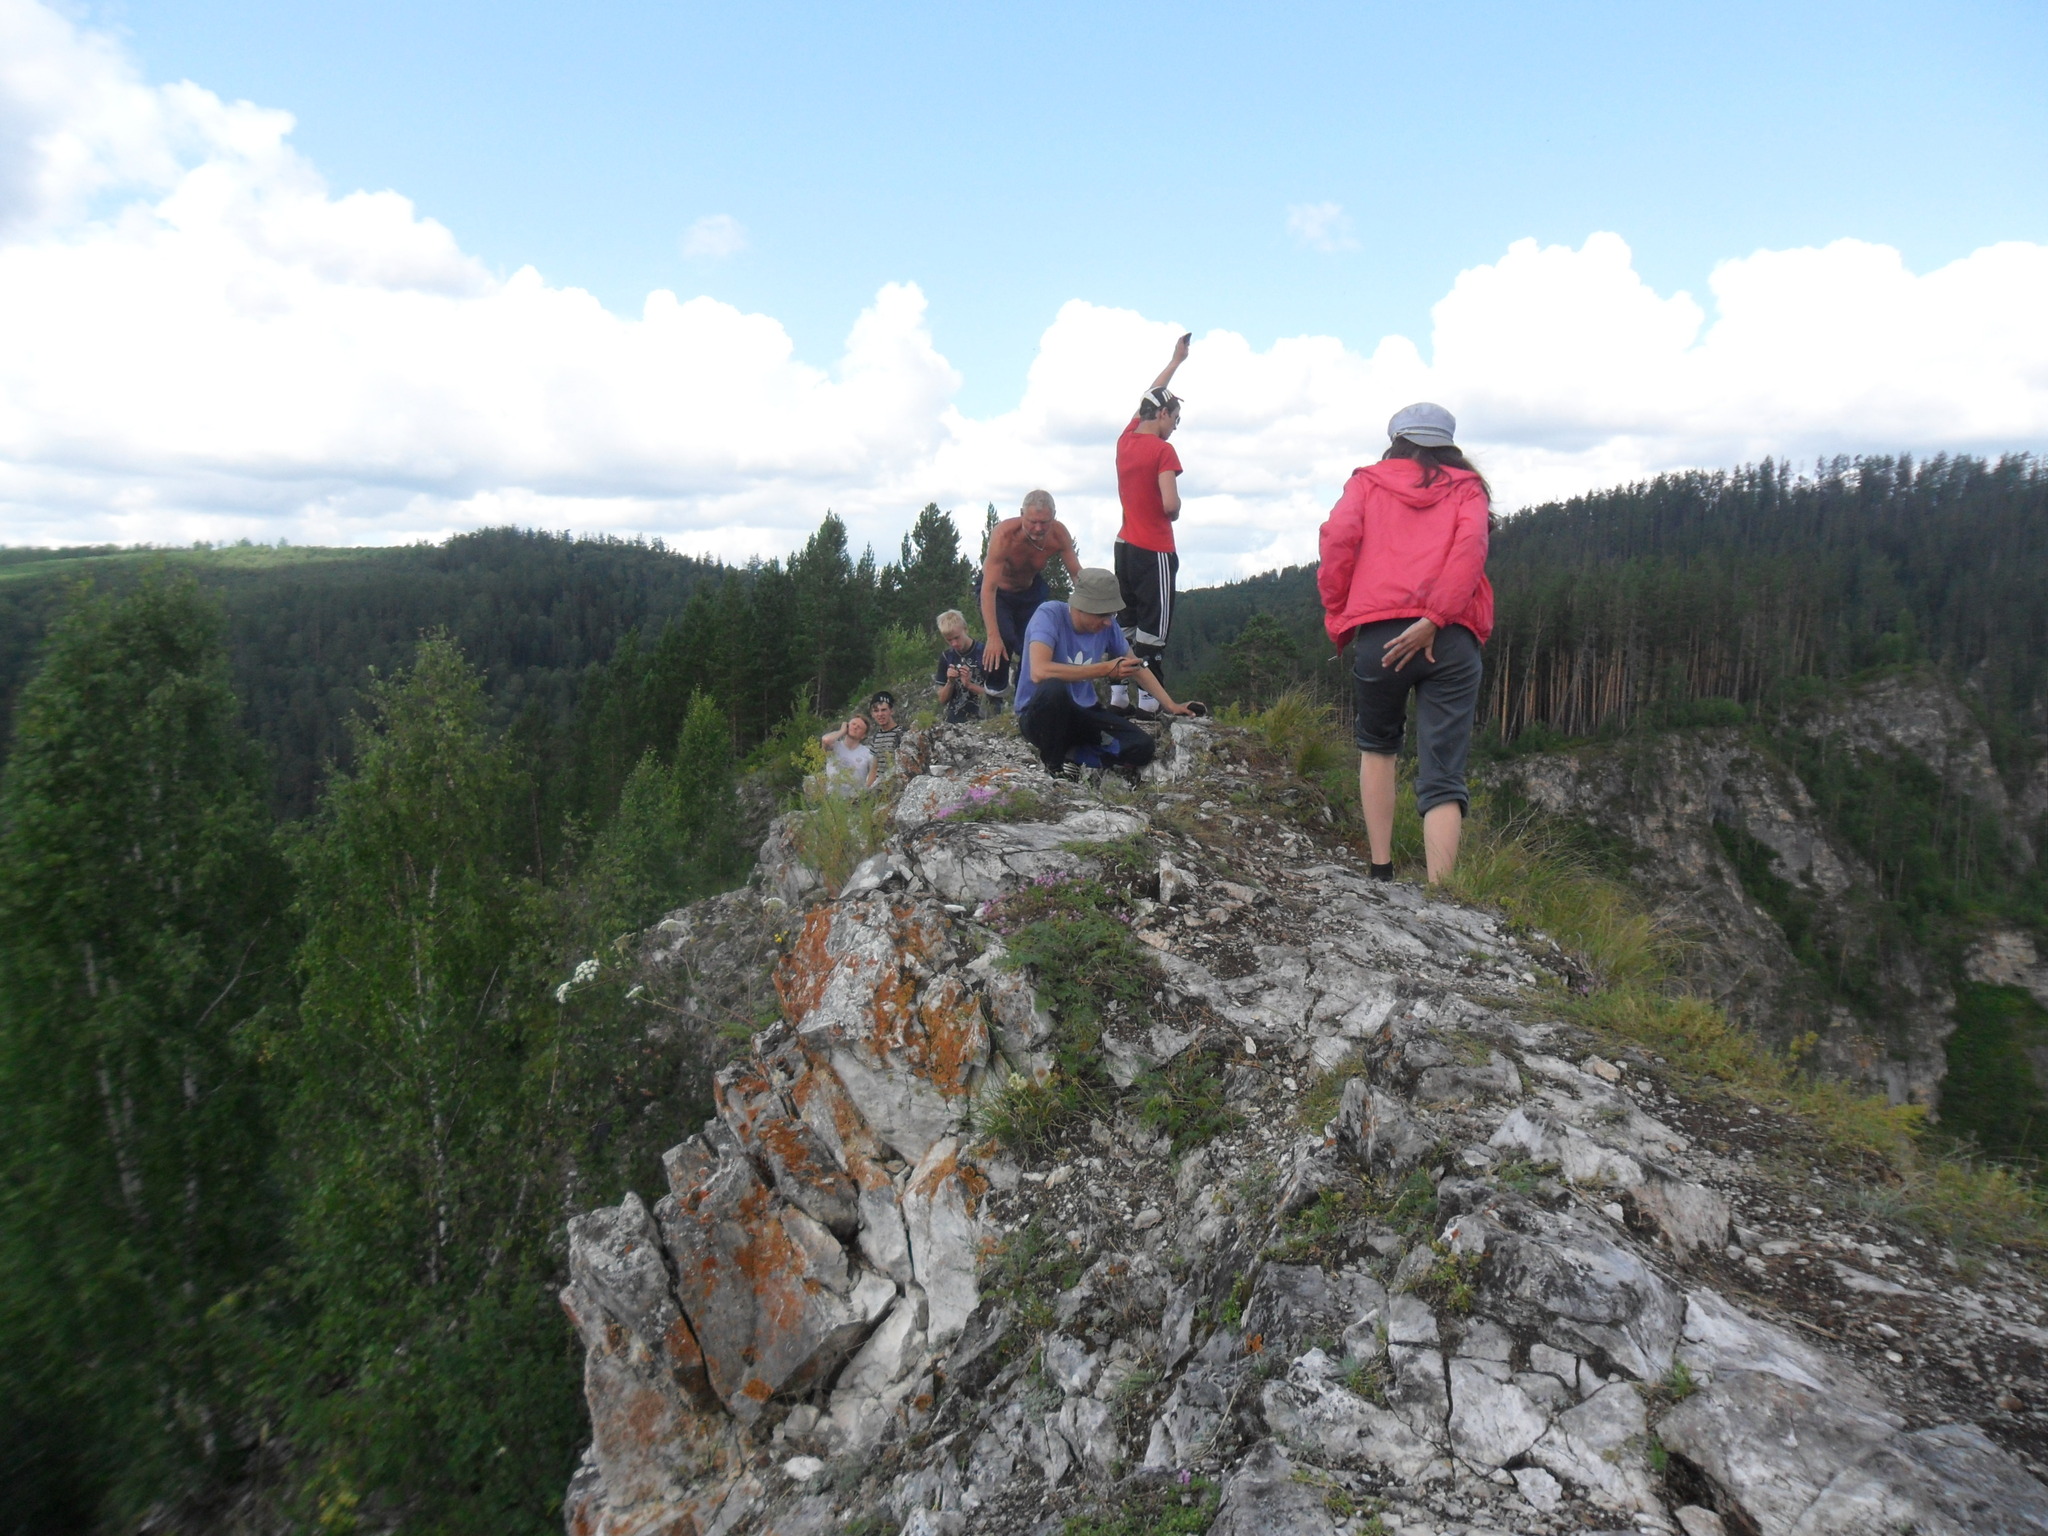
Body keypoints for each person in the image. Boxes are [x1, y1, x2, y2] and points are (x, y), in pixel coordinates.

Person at [1316, 402, 1494, 887]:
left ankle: (1380, 871)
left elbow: (1337, 542)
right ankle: (1442, 893)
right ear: (1448, 445)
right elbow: (1470, 550)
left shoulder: (1367, 482)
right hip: (1452, 639)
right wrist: (1435, 617)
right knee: (1444, 770)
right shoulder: (1468, 488)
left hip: (1381, 636)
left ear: (1397, 439)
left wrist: (1338, 613)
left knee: (1378, 748)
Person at [1015, 567, 1192, 780]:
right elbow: (1039, 671)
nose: (1108, 621)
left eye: (1111, 614)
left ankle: (1074, 754)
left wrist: (1171, 705)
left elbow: (1136, 667)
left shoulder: (1108, 627)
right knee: (1054, 689)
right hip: (1040, 715)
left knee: (1142, 747)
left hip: (1084, 712)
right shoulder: (1049, 615)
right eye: (1102, 614)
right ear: (1080, 607)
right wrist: (1105, 668)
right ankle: (1054, 765)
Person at [1111, 333, 1190, 714]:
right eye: (1175, 419)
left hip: (1123, 547)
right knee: (1153, 632)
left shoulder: (1124, 440)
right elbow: (1170, 504)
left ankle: (1117, 697)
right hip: (1154, 548)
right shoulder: (1163, 450)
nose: (1175, 426)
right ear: (1162, 416)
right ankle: (1148, 703)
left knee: (1125, 626)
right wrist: (1175, 507)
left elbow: (1151, 393)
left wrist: (1176, 361)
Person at [977, 491, 1083, 695]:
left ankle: (1025, 690)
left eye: (1044, 522)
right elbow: (988, 588)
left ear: (1053, 516)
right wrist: (993, 636)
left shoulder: (1058, 534)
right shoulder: (1004, 535)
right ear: (1021, 514)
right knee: (1004, 638)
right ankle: (995, 689)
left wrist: (1093, 603)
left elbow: (1077, 575)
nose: (1038, 528)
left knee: (1037, 641)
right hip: (999, 592)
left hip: (1030, 591)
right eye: (1033, 521)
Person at [934, 609, 1002, 723]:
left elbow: (996, 696)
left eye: (956, 637)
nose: (954, 643)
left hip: (985, 721)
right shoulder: (946, 657)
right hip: (955, 724)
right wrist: (950, 682)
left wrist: (969, 685)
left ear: (965, 629)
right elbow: (941, 699)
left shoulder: (985, 652)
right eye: (949, 640)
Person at [821, 714, 878, 796]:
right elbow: (826, 740)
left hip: (855, 799)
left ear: (863, 735)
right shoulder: (834, 746)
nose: (855, 727)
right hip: (832, 798)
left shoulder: (868, 753)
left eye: (859, 727)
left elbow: (872, 780)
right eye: (853, 724)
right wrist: (842, 731)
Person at [865, 692, 904, 763]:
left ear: (891, 711)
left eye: (883, 710)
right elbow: (874, 766)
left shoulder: (902, 734)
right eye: (876, 711)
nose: (880, 714)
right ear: (872, 714)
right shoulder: (875, 738)